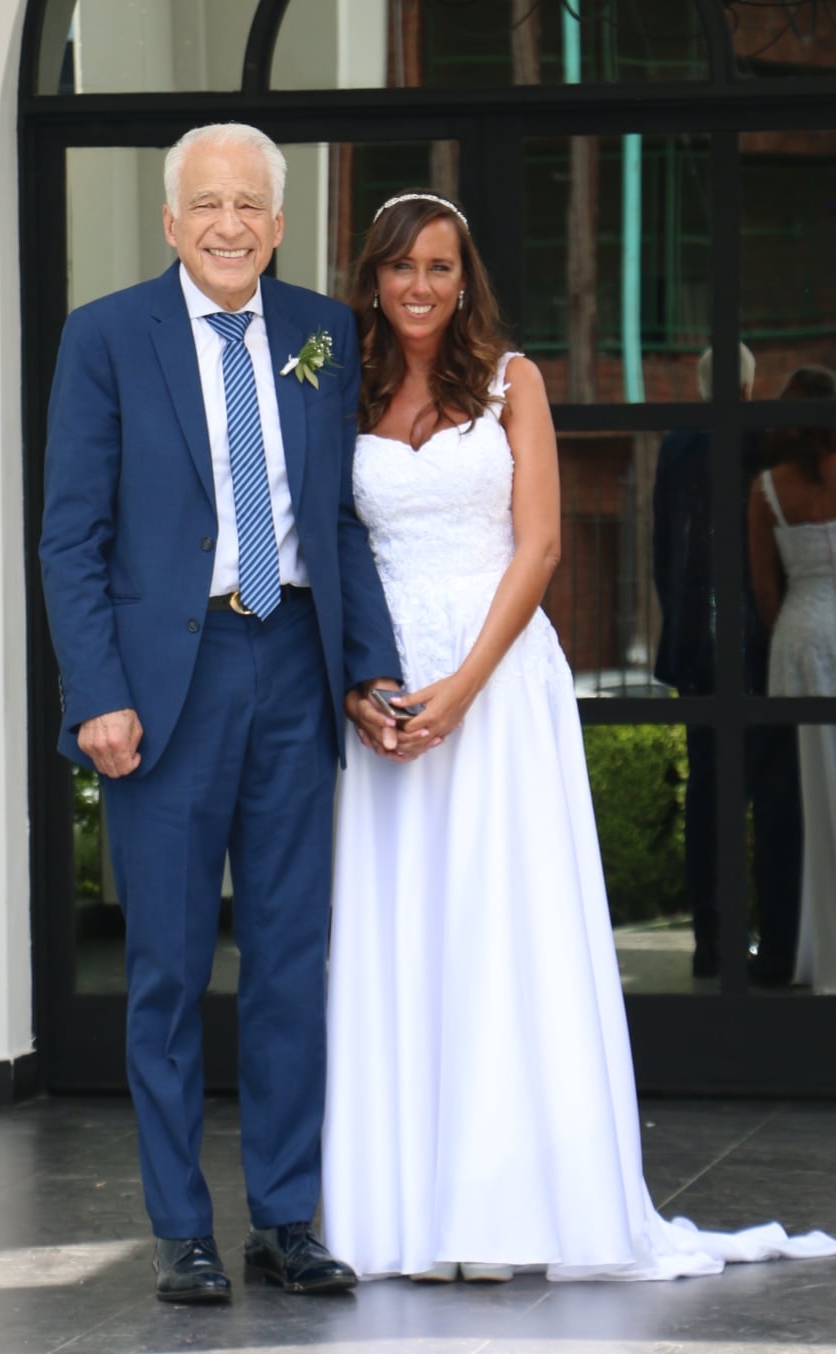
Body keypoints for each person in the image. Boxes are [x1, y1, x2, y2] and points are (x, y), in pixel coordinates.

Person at [320, 191, 836, 1282]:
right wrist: (368, 685)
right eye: (403, 267)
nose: (421, 286)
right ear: (372, 276)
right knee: (405, 932)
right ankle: (402, 1212)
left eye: (442, 268)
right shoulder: (343, 391)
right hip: (387, 693)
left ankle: (508, 1211)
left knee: (501, 930)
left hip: (496, 683)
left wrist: (461, 687)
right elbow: (331, 546)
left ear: (468, 282)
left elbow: (544, 546)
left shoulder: (517, 381)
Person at [39, 123, 403, 1303]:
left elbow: (342, 519)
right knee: (168, 968)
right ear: (169, 221)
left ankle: (286, 1219)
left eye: (251, 203)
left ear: (281, 222)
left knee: (293, 959)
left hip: (293, 661)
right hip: (164, 688)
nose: (230, 223)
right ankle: (182, 1228)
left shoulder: (323, 334)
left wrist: (367, 665)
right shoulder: (104, 337)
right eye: (207, 204)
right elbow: (71, 535)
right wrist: (96, 693)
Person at [652, 345, 802, 985]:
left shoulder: (676, 444)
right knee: (772, 795)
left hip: (696, 647)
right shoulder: (759, 443)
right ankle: (775, 937)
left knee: (709, 797)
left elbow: (664, 542)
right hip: (758, 645)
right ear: (748, 388)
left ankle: (711, 938)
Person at [748, 365, 836, 995]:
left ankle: (790, 945)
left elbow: (762, 589)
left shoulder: (766, 489)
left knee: (794, 799)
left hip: (798, 637)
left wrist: (790, 629)